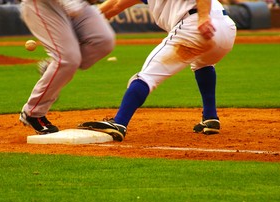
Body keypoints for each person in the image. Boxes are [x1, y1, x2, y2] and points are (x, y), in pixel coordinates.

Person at [78, 0, 237, 141]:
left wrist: (203, 17)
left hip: (197, 24)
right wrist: (85, 22)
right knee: (203, 63)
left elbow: (114, 6)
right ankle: (210, 117)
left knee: (147, 77)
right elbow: (115, 5)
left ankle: (119, 122)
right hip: (226, 30)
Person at [19, 0, 115, 134]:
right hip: (44, 4)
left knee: (104, 41)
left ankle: (53, 70)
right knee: (67, 60)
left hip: (80, 4)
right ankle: (33, 112)